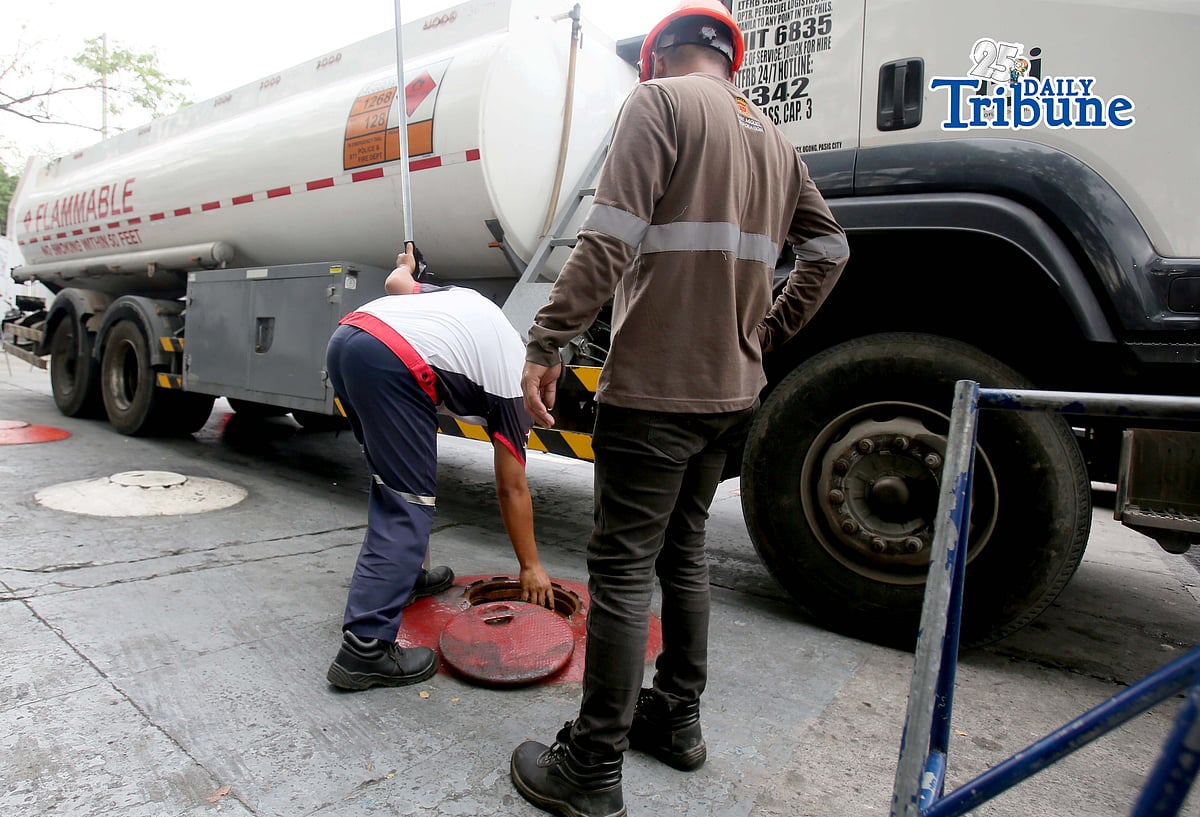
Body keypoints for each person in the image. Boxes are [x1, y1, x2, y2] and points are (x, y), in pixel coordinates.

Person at [509, 1, 850, 814]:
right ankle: (675, 718)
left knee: (624, 568)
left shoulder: (656, 103)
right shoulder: (775, 140)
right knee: (683, 552)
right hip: (730, 392)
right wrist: (765, 332)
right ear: (728, 60)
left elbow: (608, 239)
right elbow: (831, 249)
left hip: (656, 388)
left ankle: (591, 765)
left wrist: (547, 340)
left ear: (657, 56)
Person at [325, 242, 555, 691]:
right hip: (393, 364)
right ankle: (365, 650)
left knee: (390, 483)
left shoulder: (474, 306)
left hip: (349, 339)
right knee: (407, 501)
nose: (546, 396)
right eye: (546, 386)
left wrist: (406, 264)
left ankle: (405, 579)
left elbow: (396, 283)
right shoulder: (515, 390)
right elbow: (511, 489)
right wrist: (530, 566)